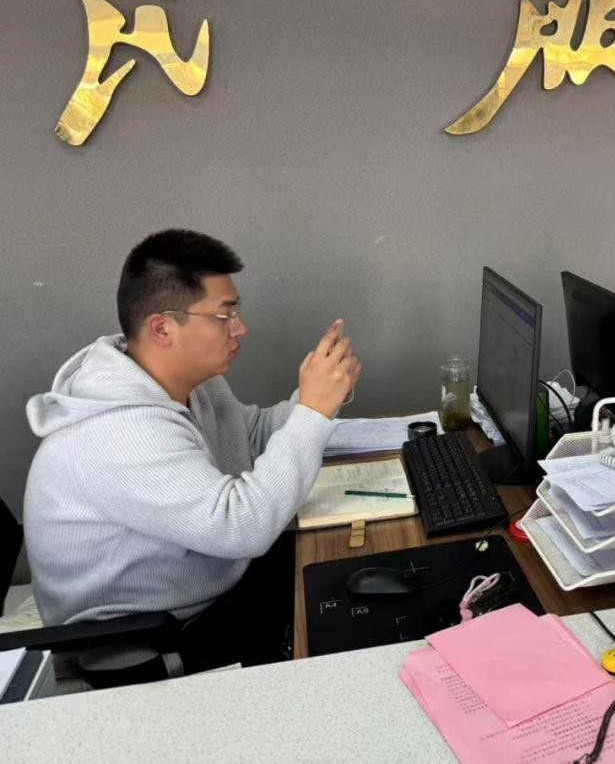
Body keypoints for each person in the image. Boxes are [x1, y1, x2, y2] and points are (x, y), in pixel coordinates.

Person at [23, 229, 361, 672]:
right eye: (224, 316)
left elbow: (252, 436)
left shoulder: (187, 382)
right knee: (352, 610)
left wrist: (321, 395)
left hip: (210, 589)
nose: (241, 328)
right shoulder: (119, 432)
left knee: (351, 561)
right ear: (162, 327)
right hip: (149, 647)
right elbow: (241, 527)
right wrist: (313, 412)